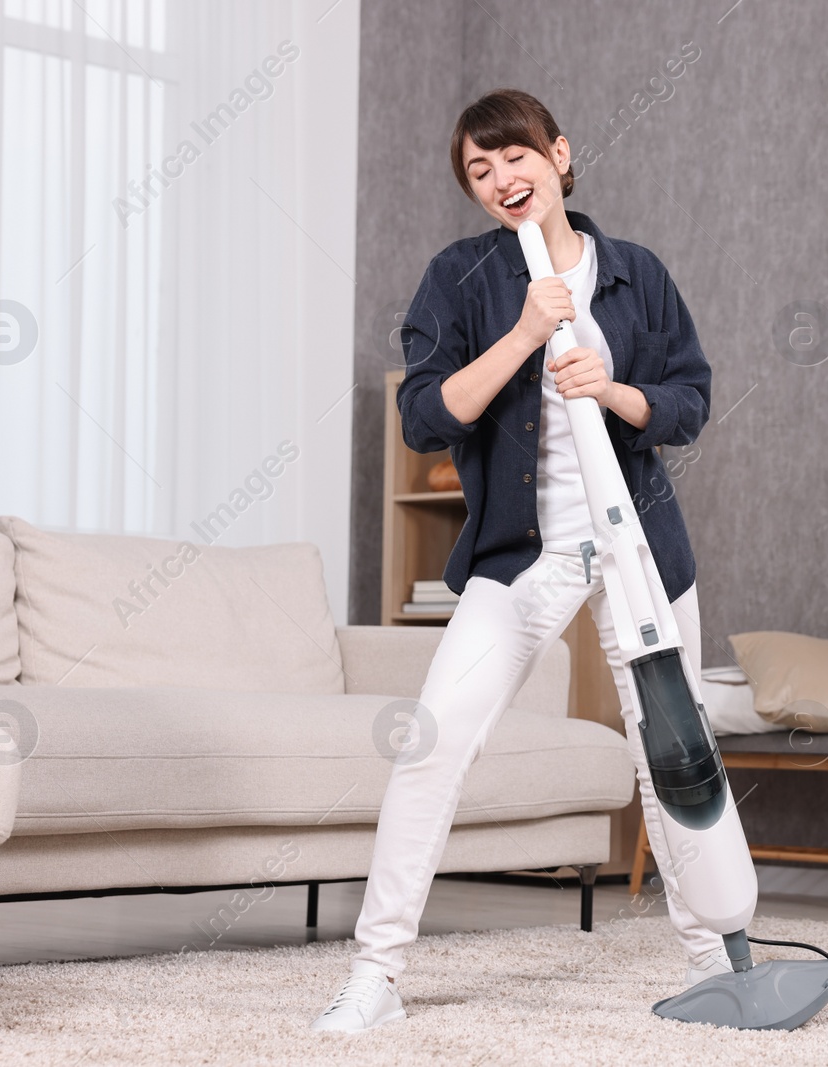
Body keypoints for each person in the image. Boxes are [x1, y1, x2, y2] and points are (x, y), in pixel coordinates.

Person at [312, 88, 723, 1034]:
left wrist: (615, 389)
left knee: (678, 758)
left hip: (639, 547)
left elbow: (690, 402)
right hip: (521, 552)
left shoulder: (637, 274)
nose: (501, 178)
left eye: (514, 156)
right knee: (432, 741)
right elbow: (423, 417)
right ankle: (375, 976)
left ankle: (713, 961)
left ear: (560, 154)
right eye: (478, 169)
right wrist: (526, 336)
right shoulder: (461, 278)